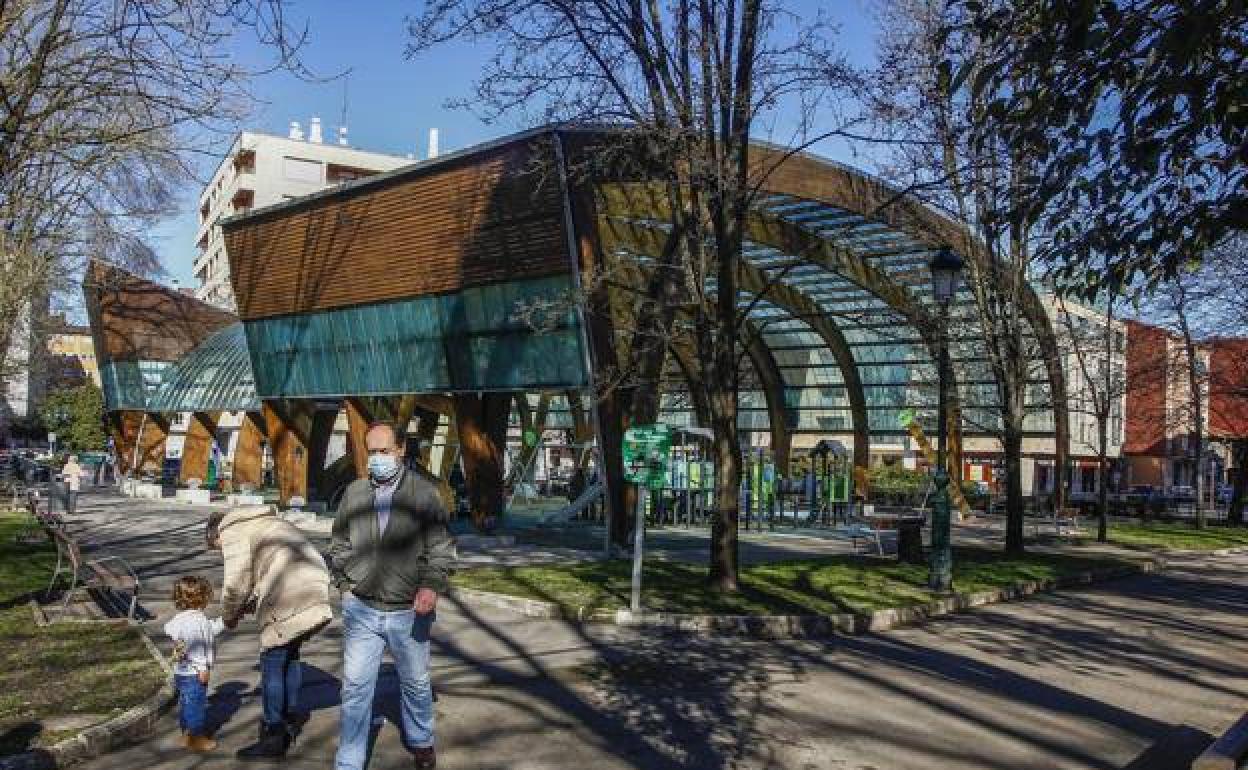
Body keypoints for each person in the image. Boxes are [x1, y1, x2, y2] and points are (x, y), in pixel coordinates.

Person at [328, 422, 455, 770]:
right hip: (362, 608)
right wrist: (345, 585)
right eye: (372, 452)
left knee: (415, 683)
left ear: (400, 451)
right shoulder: (354, 493)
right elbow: (338, 542)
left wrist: (431, 585)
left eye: (384, 451)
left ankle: (421, 741)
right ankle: (349, 761)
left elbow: (442, 549)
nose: (377, 459)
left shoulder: (423, 494)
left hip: (409, 610)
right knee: (354, 689)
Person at [205, 504, 334, 761]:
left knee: (272, 660)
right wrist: (250, 603)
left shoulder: (232, 531)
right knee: (291, 654)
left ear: (215, 535)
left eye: (217, 549)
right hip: (313, 577)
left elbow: (237, 583)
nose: (221, 553)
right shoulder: (264, 522)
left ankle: (274, 735)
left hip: (289, 586)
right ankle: (289, 720)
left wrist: (229, 616)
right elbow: (262, 572)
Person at [164, 576, 225, 753]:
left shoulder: (184, 618)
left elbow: (209, 629)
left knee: (186, 703)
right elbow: (196, 647)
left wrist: (224, 622)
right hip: (193, 673)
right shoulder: (195, 621)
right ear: (202, 598)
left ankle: (186, 734)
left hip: (181, 671)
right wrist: (202, 668)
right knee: (196, 705)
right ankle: (196, 737)